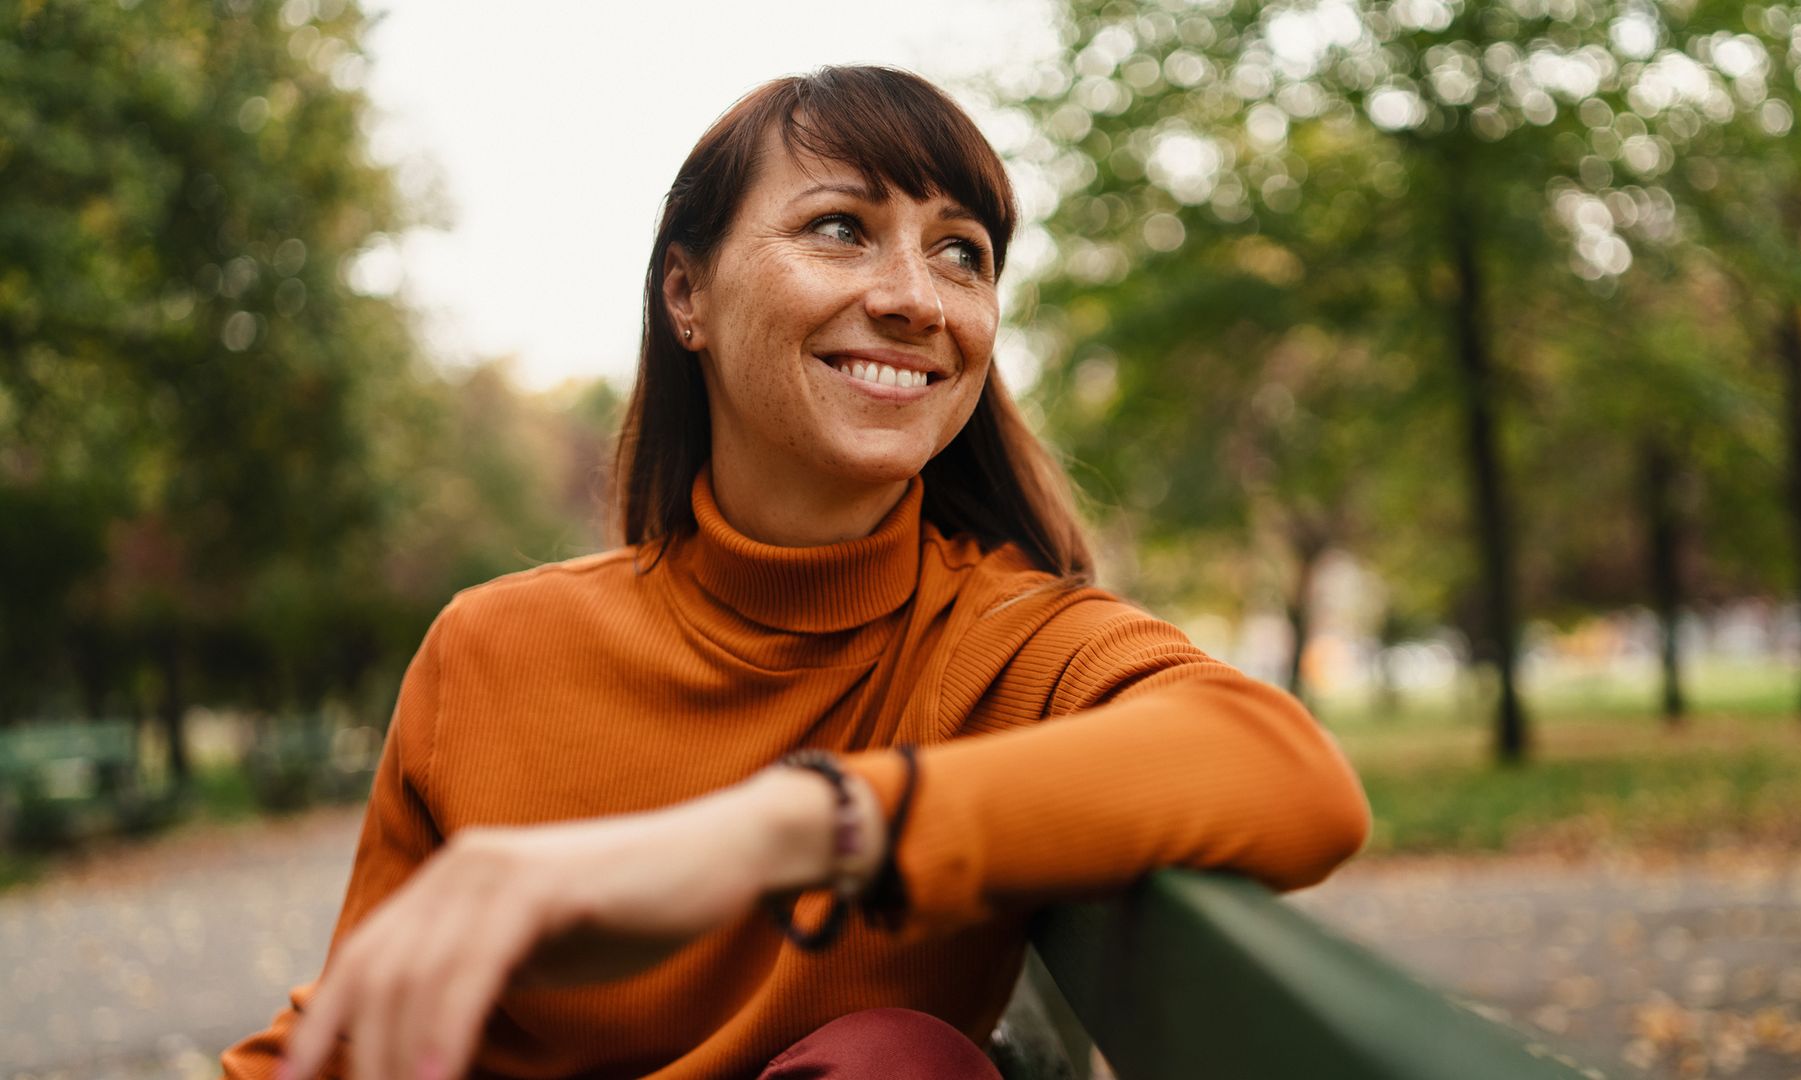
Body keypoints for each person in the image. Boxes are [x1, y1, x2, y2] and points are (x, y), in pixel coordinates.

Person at [221, 65, 1370, 1080]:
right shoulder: (489, 651)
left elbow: (1291, 778)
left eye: (961, 253)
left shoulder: (1002, 643)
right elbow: (354, 1037)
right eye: (839, 228)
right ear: (688, 297)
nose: (916, 298)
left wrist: (780, 831)